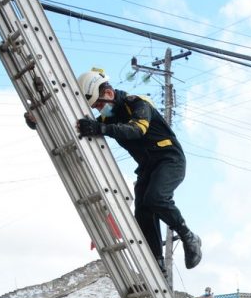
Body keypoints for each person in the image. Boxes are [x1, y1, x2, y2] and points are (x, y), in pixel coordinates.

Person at [72, 69, 202, 274]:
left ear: (108, 93)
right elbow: (80, 129)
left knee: (156, 198)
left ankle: (188, 236)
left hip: (169, 159)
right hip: (147, 168)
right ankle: (157, 264)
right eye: (95, 107)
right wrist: (36, 120)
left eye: (98, 104)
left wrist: (101, 129)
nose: (98, 109)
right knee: (142, 212)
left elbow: (136, 130)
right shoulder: (108, 119)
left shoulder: (137, 103)